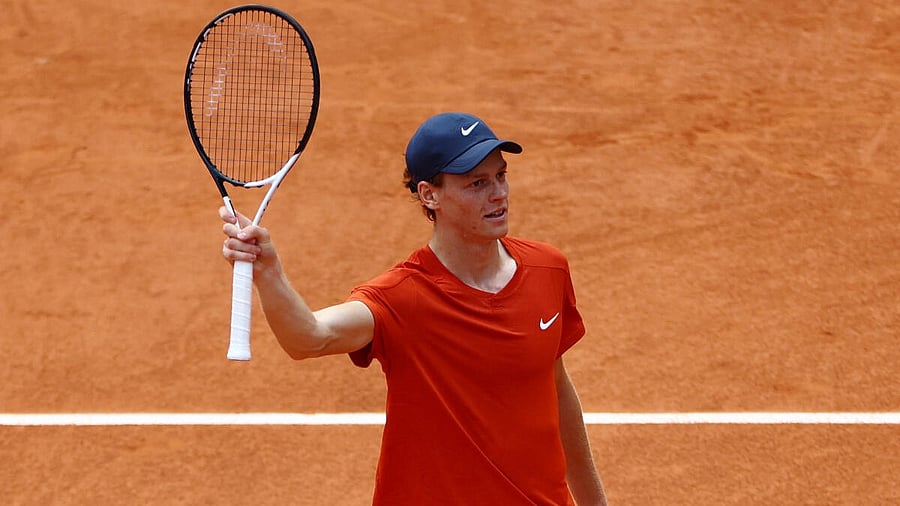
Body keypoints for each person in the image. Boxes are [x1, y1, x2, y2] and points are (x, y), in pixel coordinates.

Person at [220, 112, 609, 505]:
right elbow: (310, 338)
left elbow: (556, 390)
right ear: (429, 195)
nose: (498, 194)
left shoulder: (548, 269)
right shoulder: (402, 298)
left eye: (501, 176)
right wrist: (268, 272)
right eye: (477, 183)